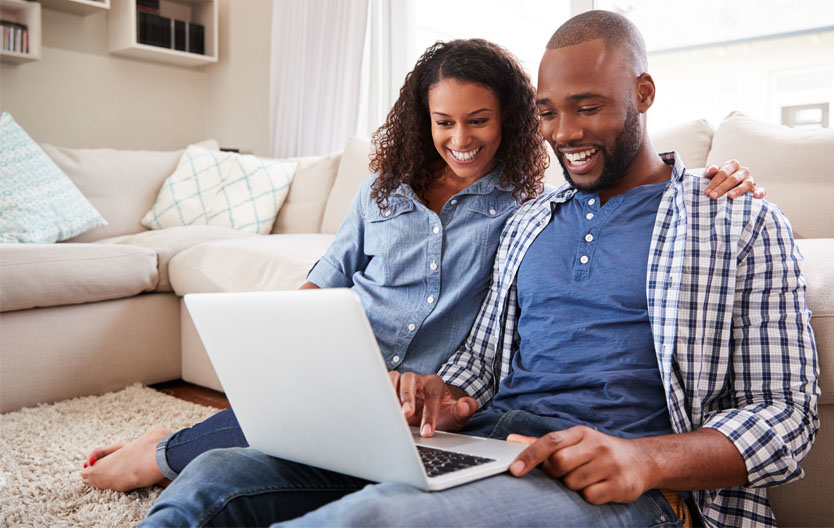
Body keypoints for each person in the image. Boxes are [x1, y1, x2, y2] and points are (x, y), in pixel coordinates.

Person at [84, 36, 759, 499]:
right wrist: (290, 346)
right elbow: (327, 276)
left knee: (335, 434)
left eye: (479, 122)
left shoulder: (528, 206)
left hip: (419, 394)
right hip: (352, 363)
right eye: (444, 122)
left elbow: (616, 174)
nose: (460, 140)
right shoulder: (382, 191)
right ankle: (182, 444)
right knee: (271, 432)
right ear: (423, 119)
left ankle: (167, 447)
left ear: (512, 121)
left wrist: (709, 177)